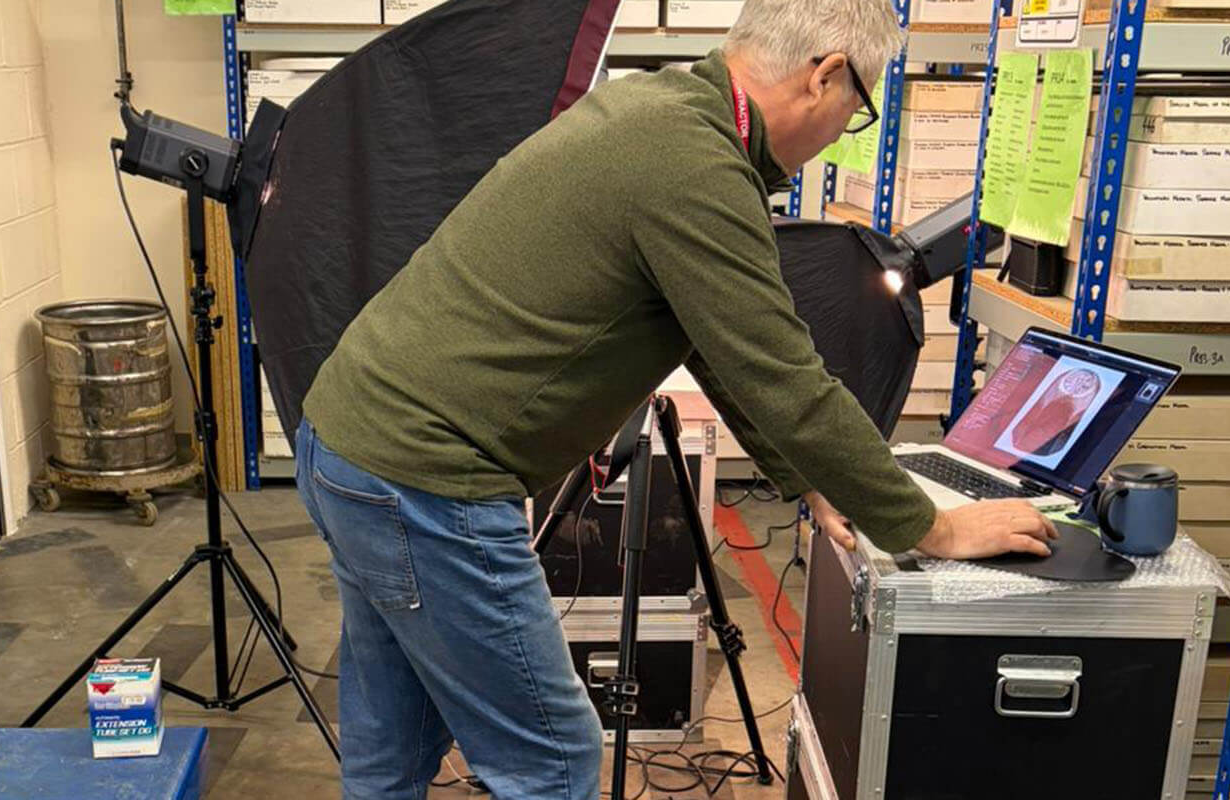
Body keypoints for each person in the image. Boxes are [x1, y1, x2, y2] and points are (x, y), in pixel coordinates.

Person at [294, 0, 1058, 796]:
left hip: (351, 445)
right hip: (421, 479)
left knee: (393, 750)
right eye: (854, 110)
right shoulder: (693, 161)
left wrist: (807, 478)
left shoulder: (661, 109)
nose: (841, 130)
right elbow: (784, 374)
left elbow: (718, 347)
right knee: (552, 760)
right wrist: (925, 523)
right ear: (824, 75)